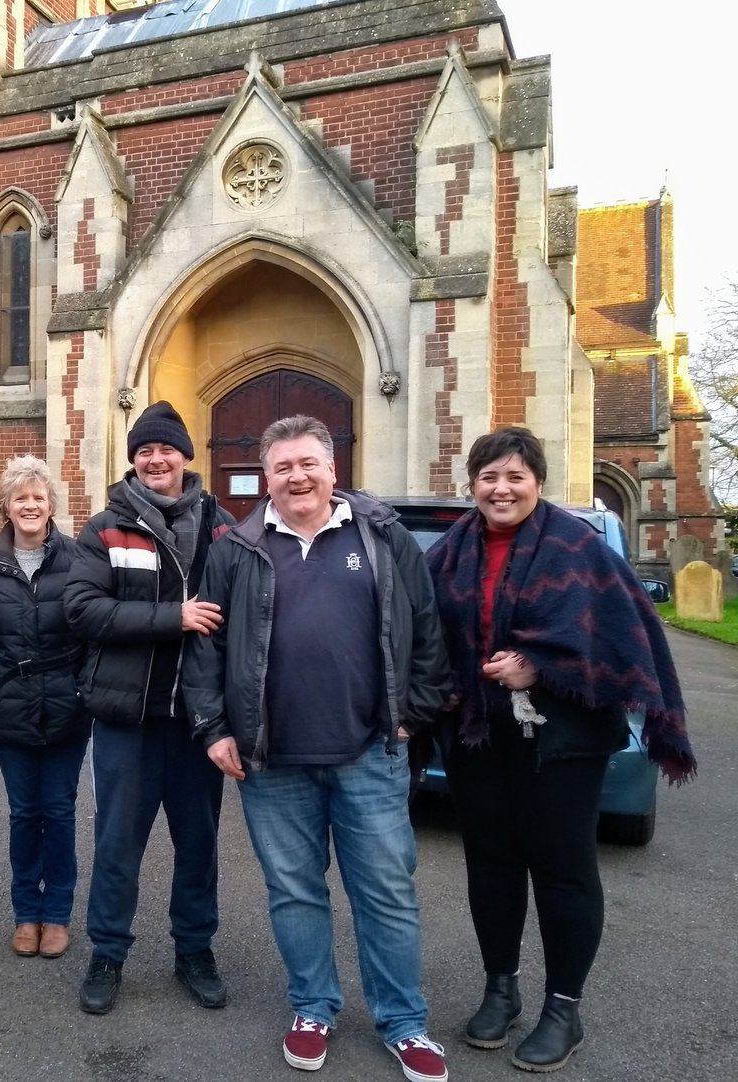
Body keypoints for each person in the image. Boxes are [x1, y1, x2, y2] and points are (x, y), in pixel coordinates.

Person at [183, 414, 450, 1081]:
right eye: (283, 467)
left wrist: (414, 714)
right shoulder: (236, 548)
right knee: (295, 892)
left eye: (308, 464)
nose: (296, 477)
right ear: (265, 478)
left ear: (333, 469)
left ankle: (404, 1021)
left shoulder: (382, 536)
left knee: (385, 893)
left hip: (369, 754)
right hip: (270, 762)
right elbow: (205, 645)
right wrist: (214, 729)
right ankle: (312, 1008)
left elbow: (426, 627)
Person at [424, 427, 696, 1073]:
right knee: (491, 864)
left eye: (515, 476)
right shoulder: (448, 553)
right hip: (477, 735)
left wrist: (539, 668)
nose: (502, 489)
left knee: (563, 870)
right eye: (489, 477)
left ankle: (563, 1008)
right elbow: (422, 632)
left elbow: (620, 640)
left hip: (564, 742)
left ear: (537, 482)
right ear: (472, 484)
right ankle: (501, 989)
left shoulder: (580, 548)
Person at [64, 400, 236, 1015]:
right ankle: (107, 953)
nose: (155, 460)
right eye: (144, 451)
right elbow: (82, 609)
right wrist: (173, 618)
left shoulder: (223, 527)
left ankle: (195, 950)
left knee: (199, 845)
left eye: (165, 449)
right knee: (117, 845)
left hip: (197, 723)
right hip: (126, 719)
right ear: (133, 461)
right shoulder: (105, 527)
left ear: (185, 456)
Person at [0, 455, 90, 960]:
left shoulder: (79, 557)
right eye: (21, 497)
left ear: (51, 505)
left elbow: (89, 629)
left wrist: (83, 689)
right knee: (23, 814)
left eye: (39, 497)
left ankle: (56, 914)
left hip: (67, 704)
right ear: (7, 506)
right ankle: (25, 913)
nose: (31, 505)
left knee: (58, 812)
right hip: (10, 705)